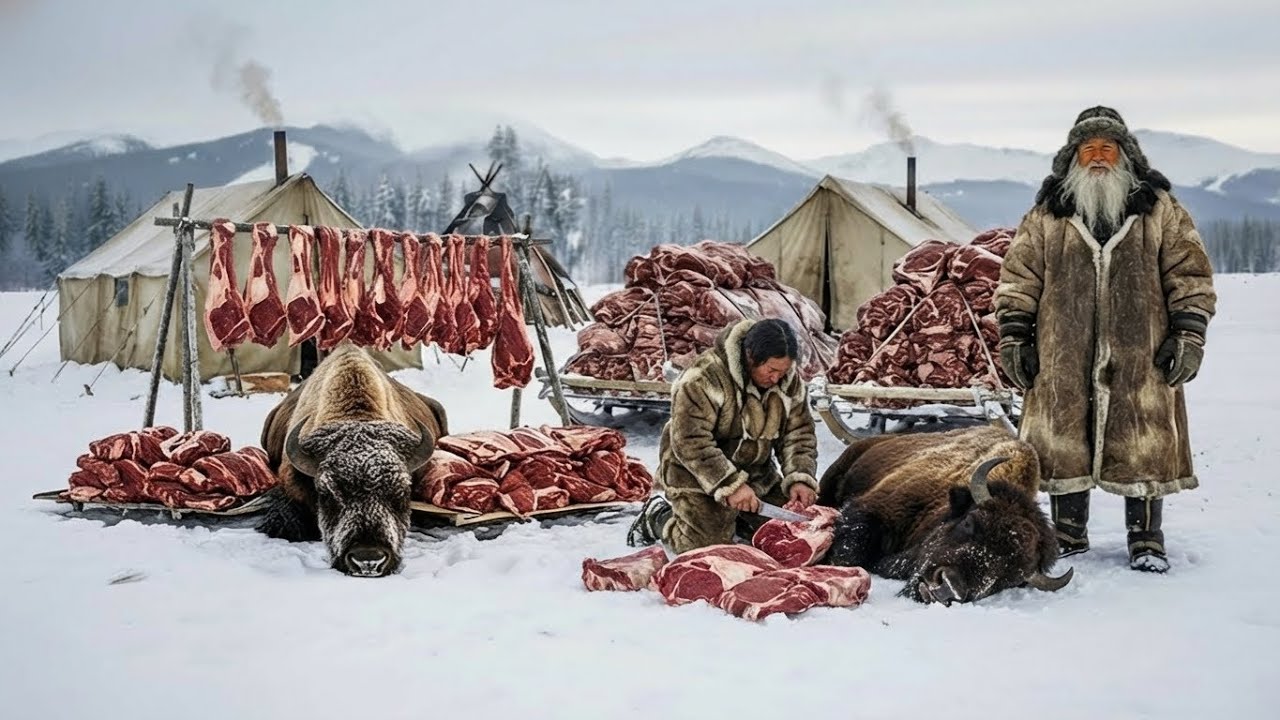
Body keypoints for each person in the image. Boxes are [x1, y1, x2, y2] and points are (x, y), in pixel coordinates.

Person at [994, 106, 1217, 573]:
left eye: (1107, 148)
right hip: (1061, 350)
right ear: (1073, 157)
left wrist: (1188, 333)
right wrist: (1015, 336)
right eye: (1088, 149)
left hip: (1142, 353)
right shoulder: (1048, 213)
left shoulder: (1159, 208)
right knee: (1061, 437)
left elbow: (1190, 273)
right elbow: (1018, 277)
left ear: (1125, 154)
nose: (1097, 157)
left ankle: (1146, 537)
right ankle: (1068, 532)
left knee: (1143, 439)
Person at [627, 318, 819, 553]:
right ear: (750, 357)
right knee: (706, 547)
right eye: (771, 370)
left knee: (793, 533)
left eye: (783, 371)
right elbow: (691, 442)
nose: (776, 379)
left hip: (756, 473)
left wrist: (800, 477)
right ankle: (657, 516)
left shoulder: (788, 381)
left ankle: (738, 519)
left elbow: (798, 434)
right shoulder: (702, 378)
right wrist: (730, 485)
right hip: (697, 472)